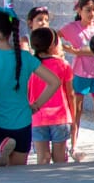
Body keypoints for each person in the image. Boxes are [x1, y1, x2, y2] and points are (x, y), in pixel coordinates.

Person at [0, 9, 63, 167]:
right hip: (22, 123)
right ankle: (1, 151)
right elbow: (54, 82)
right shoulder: (25, 56)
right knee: (17, 173)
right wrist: (36, 106)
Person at [58, 0, 94, 158]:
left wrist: (77, 51)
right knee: (76, 110)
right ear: (79, 11)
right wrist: (63, 50)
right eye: (88, 10)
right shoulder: (72, 27)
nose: (91, 14)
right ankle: (73, 146)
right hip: (80, 74)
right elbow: (55, 36)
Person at [25, 27, 74, 166]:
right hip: (60, 116)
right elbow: (70, 93)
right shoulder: (63, 64)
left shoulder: (30, 66)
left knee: (42, 157)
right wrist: (73, 114)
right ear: (53, 44)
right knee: (60, 157)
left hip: (37, 116)